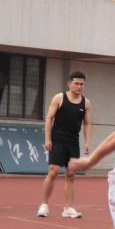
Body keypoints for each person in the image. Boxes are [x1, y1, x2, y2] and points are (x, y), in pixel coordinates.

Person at [36, 71, 92, 219]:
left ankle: (68, 208)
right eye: (76, 83)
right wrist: (47, 139)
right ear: (69, 84)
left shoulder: (86, 103)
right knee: (53, 171)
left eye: (82, 84)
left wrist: (87, 142)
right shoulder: (59, 98)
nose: (79, 86)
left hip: (73, 142)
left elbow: (87, 123)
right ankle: (44, 205)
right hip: (58, 140)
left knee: (71, 174)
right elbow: (49, 118)